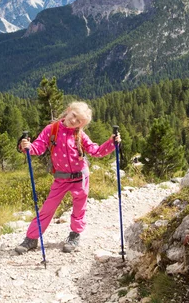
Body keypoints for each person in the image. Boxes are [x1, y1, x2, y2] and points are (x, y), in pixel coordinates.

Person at [15, 101, 120, 254]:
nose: (74, 121)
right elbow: (37, 148)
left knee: (79, 208)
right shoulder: (51, 129)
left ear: (82, 124)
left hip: (81, 177)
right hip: (61, 178)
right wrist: (26, 147)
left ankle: (75, 235)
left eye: (79, 121)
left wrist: (112, 143)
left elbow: (95, 151)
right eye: (74, 116)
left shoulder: (80, 134)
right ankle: (31, 238)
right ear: (68, 111)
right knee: (48, 208)